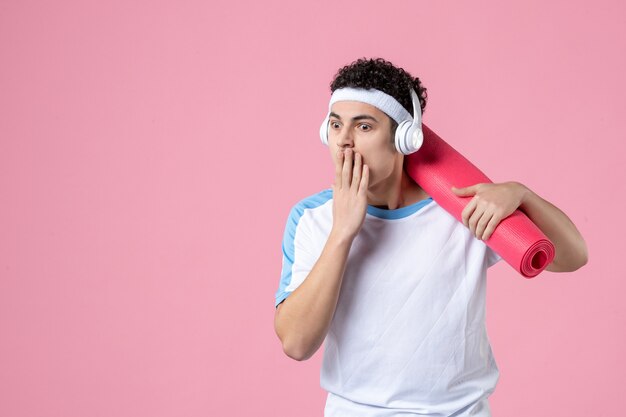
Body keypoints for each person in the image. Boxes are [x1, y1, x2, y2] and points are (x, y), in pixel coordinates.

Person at [273, 57, 588, 417]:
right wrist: (343, 232)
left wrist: (521, 194)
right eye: (335, 125)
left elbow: (572, 255)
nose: (343, 141)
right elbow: (296, 343)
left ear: (405, 138)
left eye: (363, 127)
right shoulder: (312, 218)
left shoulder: (462, 209)